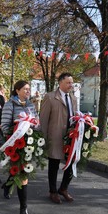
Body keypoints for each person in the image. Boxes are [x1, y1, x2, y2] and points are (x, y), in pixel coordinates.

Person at [1, 80, 38, 214]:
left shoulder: (30, 105)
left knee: (22, 172)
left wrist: (34, 129)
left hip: (29, 143)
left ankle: (8, 185)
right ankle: (23, 209)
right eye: (25, 89)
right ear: (17, 90)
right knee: (21, 173)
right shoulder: (9, 104)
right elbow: (5, 126)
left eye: (29, 89)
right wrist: (15, 133)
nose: (28, 91)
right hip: (15, 144)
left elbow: (36, 121)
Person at [40, 72, 77, 204]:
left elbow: (75, 116)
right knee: (54, 164)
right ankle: (53, 191)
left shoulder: (73, 98)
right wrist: (42, 138)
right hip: (54, 136)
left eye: (72, 83)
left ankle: (63, 188)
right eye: (68, 82)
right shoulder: (50, 97)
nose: (71, 85)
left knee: (71, 164)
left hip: (71, 137)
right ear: (60, 83)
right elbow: (43, 120)